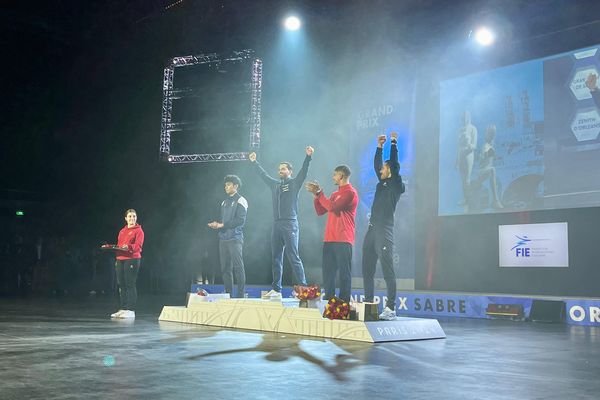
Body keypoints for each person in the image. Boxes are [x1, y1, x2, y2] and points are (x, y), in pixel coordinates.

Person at [248, 146, 314, 298]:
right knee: (276, 257)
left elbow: (303, 172)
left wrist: (308, 157)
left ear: (290, 171)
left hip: (290, 223)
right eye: (279, 169)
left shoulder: (294, 183)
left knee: (293, 256)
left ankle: (303, 289)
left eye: (283, 169)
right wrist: (254, 162)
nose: (280, 171)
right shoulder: (275, 184)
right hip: (277, 224)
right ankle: (276, 290)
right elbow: (263, 175)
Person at [362, 132, 405, 320]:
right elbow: (376, 166)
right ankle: (369, 304)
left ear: (391, 171)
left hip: (384, 231)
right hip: (371, 230)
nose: (380, 171)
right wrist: (379, 147)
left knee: (387, 270)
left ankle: (391, 308)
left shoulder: (395, 184)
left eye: (384, 168)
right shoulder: (382, 183)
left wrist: (393, 144)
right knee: (367, 268)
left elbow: (394, 165)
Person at [306, 165, 358, 302]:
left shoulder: (350, 193)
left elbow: (333, 208)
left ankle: (344, 303)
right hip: (329, 238)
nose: (333, 177)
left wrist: (320, 194)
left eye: (335, 175)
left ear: (341, 176)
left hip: (343, 238)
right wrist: (316, 196)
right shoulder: (335, 194)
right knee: (328, 273)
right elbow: (320, 211)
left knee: (344, 274)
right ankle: (329, 301)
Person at [208, 175, 248, 298]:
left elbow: (240, 220)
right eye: (225, 185)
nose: (226, 187)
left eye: (229, 184)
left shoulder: (241, 200)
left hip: (235, 238)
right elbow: (222, 221)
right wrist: (217, 225)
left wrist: (221, 225)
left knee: (238, 267)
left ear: (235, 186)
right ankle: (228, 294)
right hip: (223, 239)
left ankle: (240, 295)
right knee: (225, 268)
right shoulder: (224, 202)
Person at [111, 209, 145, 319]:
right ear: (126, 218)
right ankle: (123, 308)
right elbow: (120, 245)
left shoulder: (139, 231)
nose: (132, 219)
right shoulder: (122, 231)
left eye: (134, 216)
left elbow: (138, 247)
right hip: (120, 258)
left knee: (130, 284)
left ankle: (131, 310)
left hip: (132, 259)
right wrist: (111, 247)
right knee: (122, 284)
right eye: (130, 216)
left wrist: (129, 247)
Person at [473, 124, 503, 210]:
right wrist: (486, 153)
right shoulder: (484, 144)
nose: (493, 135)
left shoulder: (492, 143)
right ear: (487, 133)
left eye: (494, 133)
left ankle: (497, 201)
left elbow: (492, 157)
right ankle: (495, 201)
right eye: (491, 133)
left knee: (499, 182)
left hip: (487, 170)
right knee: (492, 170)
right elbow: (483, 153)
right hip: (481, 171)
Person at [456, 111, 477, 210]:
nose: (464, 119)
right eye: (462, 117)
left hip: (468, 156)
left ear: (469, 117)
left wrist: (468, 144)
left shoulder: (473, 129)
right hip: (461, 156)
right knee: (462, 180)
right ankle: (465, 198)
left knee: (467, 179)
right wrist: (457, 160)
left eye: (465, 117)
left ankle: (470, 200)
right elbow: (458, 146)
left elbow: (474, 145)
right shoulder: (460, 129)